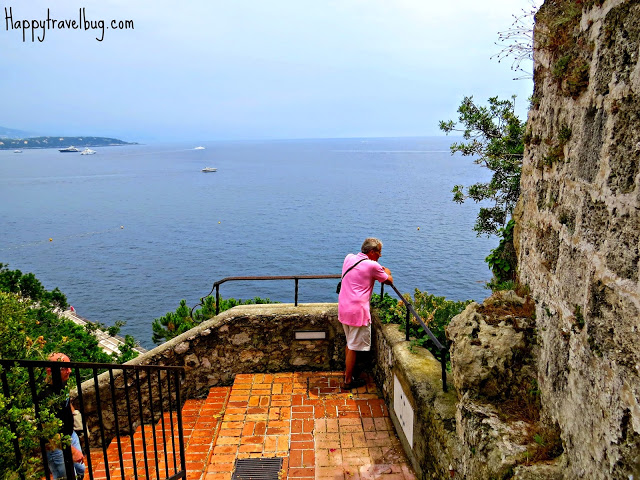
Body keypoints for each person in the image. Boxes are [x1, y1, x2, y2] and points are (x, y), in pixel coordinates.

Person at [338, 238, 393, 389]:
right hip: (357, 312)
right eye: (379, 252)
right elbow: (389, 280)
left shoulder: (349, 258)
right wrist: (386, 271)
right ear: (371, 252)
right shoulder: (372, 265)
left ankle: (348, 373)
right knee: (353, 346)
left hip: (343, 307)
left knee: (350, 343)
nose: (380, 255)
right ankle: (348, 381)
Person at [40, 353, 85, 480]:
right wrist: (72, 451)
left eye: (69, 366)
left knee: (80, 470)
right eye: (64, 367)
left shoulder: (61, 383)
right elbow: (49, 431)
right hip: (56, 445)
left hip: (70, 435)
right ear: (50, 370)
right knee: (64, 477)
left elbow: (67, 401)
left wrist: (76, 417)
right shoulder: (44, 395)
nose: (69, 371)